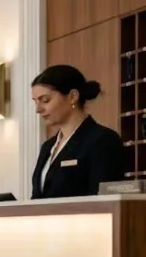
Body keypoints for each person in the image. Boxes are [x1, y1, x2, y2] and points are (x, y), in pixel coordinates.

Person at [30, 65, 125, 199]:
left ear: (73, 96)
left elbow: (103, 201)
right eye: (35, 102)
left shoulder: (103, 140)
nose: (38, 109)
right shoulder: (47, 147)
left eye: (45, 100)